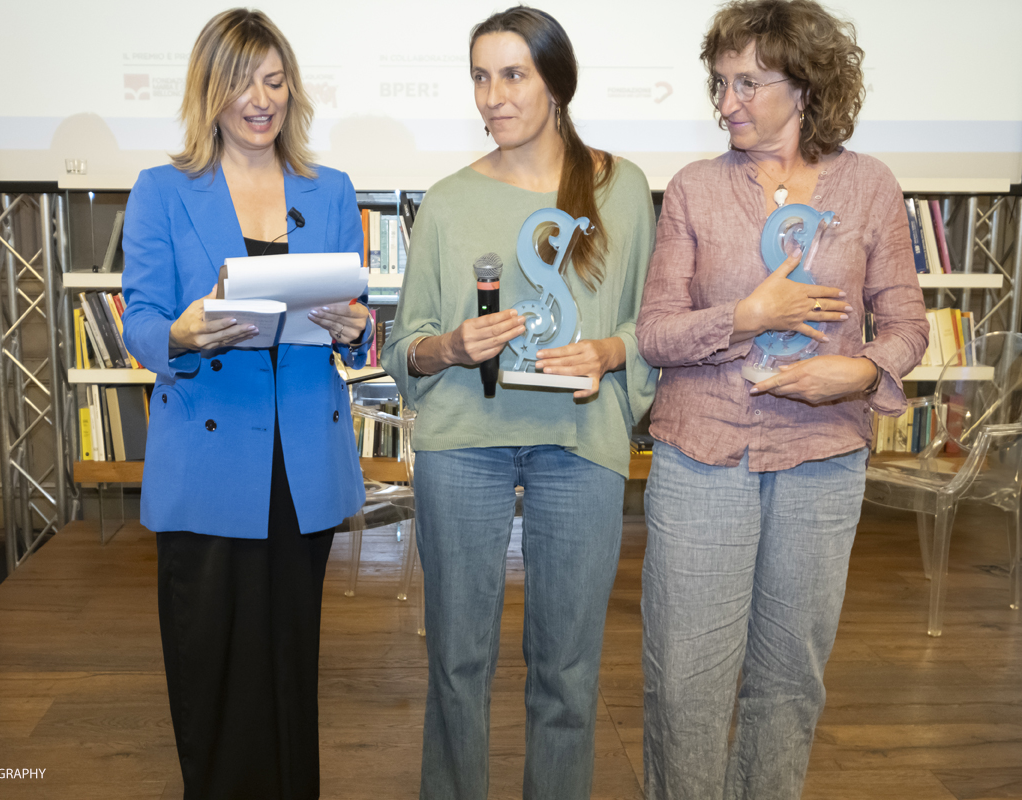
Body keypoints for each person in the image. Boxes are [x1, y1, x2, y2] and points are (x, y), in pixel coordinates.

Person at [634, 1, 929, 798]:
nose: (725, 101)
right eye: (719, 82)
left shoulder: (869, 187)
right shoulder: (695, 189)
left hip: (822, 464)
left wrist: (861, 372)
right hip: (703, 459)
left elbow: (906, 324)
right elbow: (656, 333)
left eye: (746, 82)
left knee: (790, 686)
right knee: (685, 688)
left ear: (804, 86)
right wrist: (745, 318)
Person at [381, 7, 657, 798]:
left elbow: (653, 328)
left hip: (581, 445)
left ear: (556, 83)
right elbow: (408, 349)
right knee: (457, 664)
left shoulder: (623, 188)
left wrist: (609, 353)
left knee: (567, 672)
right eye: (479, 75)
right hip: (463, 442)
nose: (492, 96)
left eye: (513, 75)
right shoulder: (446, 199)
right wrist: (452, 347)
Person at [119, 9, 372, 799]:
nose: (260, 99)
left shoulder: (328, 190)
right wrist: (187, 332)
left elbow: (354, 331)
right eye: (240, 82)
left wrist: (358, 330)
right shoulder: (164, 190)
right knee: (211, 658)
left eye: (274, 79)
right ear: (210, 92)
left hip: (301, 462)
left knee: (291, 656)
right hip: (208, 457)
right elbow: (141, 321)